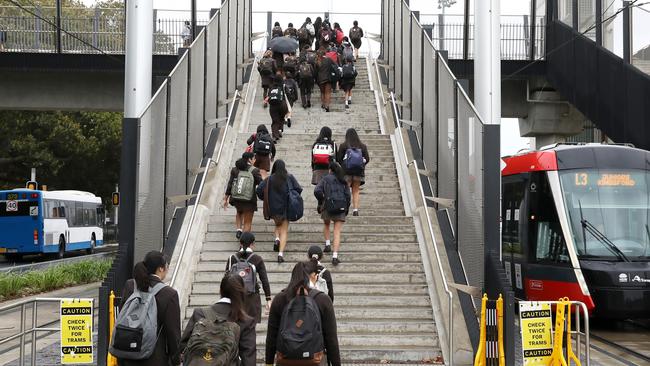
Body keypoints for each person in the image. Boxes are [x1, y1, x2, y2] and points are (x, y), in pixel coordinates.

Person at [264, 261, 340, 366]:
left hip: (286, 360)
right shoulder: (323, 300)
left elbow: (271, 337)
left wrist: (268, 363)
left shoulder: (279, 299)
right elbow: (331, 339)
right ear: (312, 276)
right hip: (315, 360)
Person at [118, 251, 181, 366]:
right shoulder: (169, 294)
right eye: (167, 266)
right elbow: (173, 333)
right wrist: (176, 360)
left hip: (127, 356)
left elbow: (122, 316)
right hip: (155, 359)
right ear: (161, 269)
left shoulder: (130, 285)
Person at [180, 274, 256, 366]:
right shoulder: (245, 321)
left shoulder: (200, 313)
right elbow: (248, 360)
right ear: (242, 293)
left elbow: (183, 347)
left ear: (220, 290)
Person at [256, 160, 302, 263]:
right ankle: (280, 254)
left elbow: (259, 190)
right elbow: (298, 189)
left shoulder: (269, 179)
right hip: (286, 207)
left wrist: (265, 198)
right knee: (284, 230)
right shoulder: (289, 177)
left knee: (278, 225)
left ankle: (277, 238)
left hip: (273, 208)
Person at [225, 232, 272, 324]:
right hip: (252, 299)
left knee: (235, 327)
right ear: (252, 244)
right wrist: (268, 299)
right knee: (250, 329)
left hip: (235, 298)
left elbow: (225, 280)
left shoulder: (232, 258)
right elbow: (264, 280)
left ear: (240, 243)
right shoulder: (257, 259)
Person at [314, 162, 350, 266]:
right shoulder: (343, 180)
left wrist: (322, 200)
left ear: (330, 170)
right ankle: (335, 256)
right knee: (337, 231)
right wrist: (346, 208)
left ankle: (328, 243)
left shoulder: (325, 178)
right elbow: (348, 195)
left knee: (326, 224)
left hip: (328, 206)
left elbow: (317, 190)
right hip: (341, 207)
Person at [223, 152, 263, 238]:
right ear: (249, 160)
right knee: (247, 223)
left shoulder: (235, 169)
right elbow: (262, 184)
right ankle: (243, 245)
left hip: (236, 198)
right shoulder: (254, 170)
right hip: (249, 200)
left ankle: (238, 229)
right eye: (254, 158)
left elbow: (230, 184)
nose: (255, 160)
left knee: (239, 212)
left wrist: (225, 198)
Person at [336, 128, 370, 216]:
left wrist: (344, 166)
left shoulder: (343, 145)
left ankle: (344, 208)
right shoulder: (362, 146)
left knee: (345, 190)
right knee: (356, 190)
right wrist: (361, 166)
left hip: (346, 172)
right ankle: (355, 210)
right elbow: (367, 159)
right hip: (358, 172)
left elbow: (338, 159)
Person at [266, 74, 289, 141]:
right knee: (281, 118)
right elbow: (288, 94)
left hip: (273, 106)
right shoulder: (283, 86)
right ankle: (280, 130)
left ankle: (275, 136)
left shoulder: (271, 87)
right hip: (282, 104)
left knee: (275, 121)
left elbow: (269, 96)